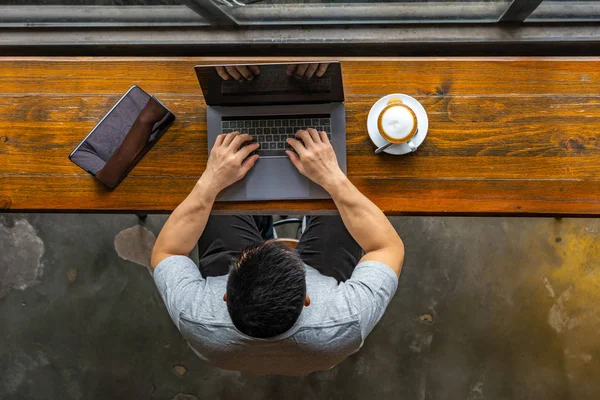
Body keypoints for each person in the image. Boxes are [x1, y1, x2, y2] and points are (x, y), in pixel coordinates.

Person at [151, 128, 405, 376]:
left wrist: (210, 182)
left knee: (218, 202)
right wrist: (332, 178)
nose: (279, 250)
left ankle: (258, 222)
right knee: (350, 202)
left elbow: (167, 252)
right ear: (308, 297)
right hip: (318, 349)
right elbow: (387, 247)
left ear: (226, 295)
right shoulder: (348, 318)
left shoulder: (195, 314)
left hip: (231, 353)